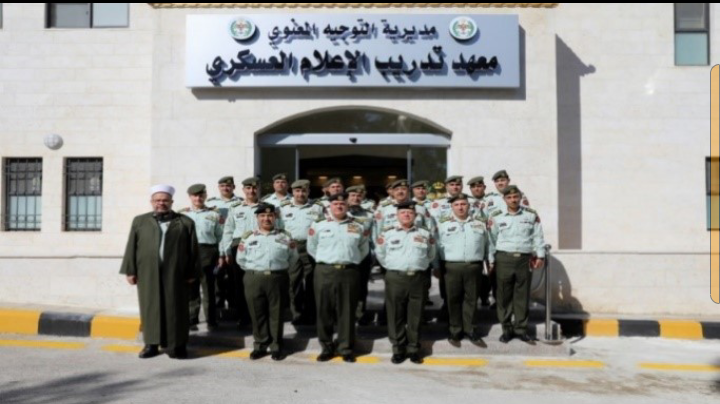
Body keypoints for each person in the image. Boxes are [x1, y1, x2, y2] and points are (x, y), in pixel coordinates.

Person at [120, 185, 200, 359]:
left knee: (176, 309)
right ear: (152, 202)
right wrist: (130, 270)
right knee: (150, 308)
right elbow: (131, 246)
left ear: (171, 202)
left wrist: (192, 272)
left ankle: (178, 345)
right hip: (147, 273)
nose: (161, 203)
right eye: (157, 200)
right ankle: (151, 345)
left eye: (165, 200)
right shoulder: (140, 221)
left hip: (176, 274)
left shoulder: (185, 222)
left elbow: (193, 250)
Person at [308, 193, 370, 363]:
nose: (339, 206)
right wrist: (327, 260)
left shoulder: (358, 225)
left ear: (347, 206)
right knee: (324, 311)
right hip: (325, 271)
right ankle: (326, 347)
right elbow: (312, 247)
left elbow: (363, 249)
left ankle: (345, 348)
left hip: (349, 272)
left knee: (347, 312)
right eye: (335, 203)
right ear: (330, 206)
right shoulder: (319, 224)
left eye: (342, 203)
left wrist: (349, 260)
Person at [375, 201, 435, 365]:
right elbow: (381, 254)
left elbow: (431, 254)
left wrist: (418, 265)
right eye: (403, 212)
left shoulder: (424, 233)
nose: (406, 215)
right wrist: (395, 267)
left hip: (418, 278)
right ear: (397, 215)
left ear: (415, 215)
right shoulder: (387, 233)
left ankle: (413, 348)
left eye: (410, 212)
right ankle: (398, 349)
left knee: (416, 315)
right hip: (396, 278)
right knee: (395, 314)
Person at [236, 203, 298, 361]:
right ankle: (260, 345)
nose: (266, 219)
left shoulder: (285, 236)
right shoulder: (248, 237)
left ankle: (276, 346)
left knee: (276, 314)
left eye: (270, 215)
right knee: (257, 313)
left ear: (275, 217)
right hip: (254, 278)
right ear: (257, 218)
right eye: (262, 216)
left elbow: (293, 257)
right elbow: (240, 259)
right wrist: (256, 271)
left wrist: (278, 269)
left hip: (277, 278)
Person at [488, 185, 545, 343]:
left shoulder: (531, 214)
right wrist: (491, 260)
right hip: (504, 258)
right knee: (504, 296)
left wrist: (540, 255)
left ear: (520, 197)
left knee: (522, 295)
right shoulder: (496, 216)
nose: (513, 200)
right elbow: (491, 240)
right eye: (509, 197)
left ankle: (521, 329)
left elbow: (538, 236)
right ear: (504, 199)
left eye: (515, 197)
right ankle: (506, 329)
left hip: (524, 259)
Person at [435, 193, 489, 345]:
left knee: (472, 299)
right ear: (451, 207)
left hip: (474, 266)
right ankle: (455, 331)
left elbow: (487, 244)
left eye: (463, 204)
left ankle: (470, 329)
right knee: (453, 299)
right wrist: (436, 266)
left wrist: (488, 261)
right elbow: (436, 246)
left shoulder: (479, 223)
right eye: (457, 205)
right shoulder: (443, 224)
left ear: (469, 206)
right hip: (452, 267)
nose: (460, 207)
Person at [278, 179, 325, 325]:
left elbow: (323, 228)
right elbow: (279, 229)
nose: (300, 194)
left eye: (304, 191)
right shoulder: (283, 207)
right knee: (294, 282)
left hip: (311, 247)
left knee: (312, 281)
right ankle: (296, 313)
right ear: (292, 192)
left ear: (308, 191)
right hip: (292, 246)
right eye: (297, 191)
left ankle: (311, 313)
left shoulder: (317, 207)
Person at [220, 177, 263, 328]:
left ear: (259, 189)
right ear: (243, 190)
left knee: (259, 283)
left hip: (260, 246)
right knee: (239, 284)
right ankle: (243, 316)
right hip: (239, 247)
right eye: (248, 188)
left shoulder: (266, 207)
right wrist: (226, 251)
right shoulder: (235, 208)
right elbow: (228, 230)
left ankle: (258, 316)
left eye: (255, 188)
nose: (252, 191)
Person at [179, 184, 223, 331]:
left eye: (201, 195)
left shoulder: (214, 214)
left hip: (208, 252)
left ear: (205, 196)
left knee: (209, 288)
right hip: (188, 253)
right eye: (195, 196)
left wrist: (221, 254)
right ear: (190, 197)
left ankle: (211, 319)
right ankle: (192, 319)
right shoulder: (182, 215)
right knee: (191, 287)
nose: (198, 198)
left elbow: (220, 236)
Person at [206, 176, 243, 316]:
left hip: (233, 244)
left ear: (233, 187)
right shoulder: (211, 203)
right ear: (218, 187)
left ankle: (234, 306)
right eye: (222, 186)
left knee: (234, 277)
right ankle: (218, 306)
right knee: (217, 277)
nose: (225, 188)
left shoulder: (241, 202)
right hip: (216, 244)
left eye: (228, 186)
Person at [346, 185, 375, 324]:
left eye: (358, 196)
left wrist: (373, 255)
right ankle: (343, 315)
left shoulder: (369, 215)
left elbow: (374, 236)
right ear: (347, 198)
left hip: (363, 255)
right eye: (352, 195)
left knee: (361, 286)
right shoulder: (340, 212)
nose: (356, 198)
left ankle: (360, 313)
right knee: (344, 287)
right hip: (345, 255)